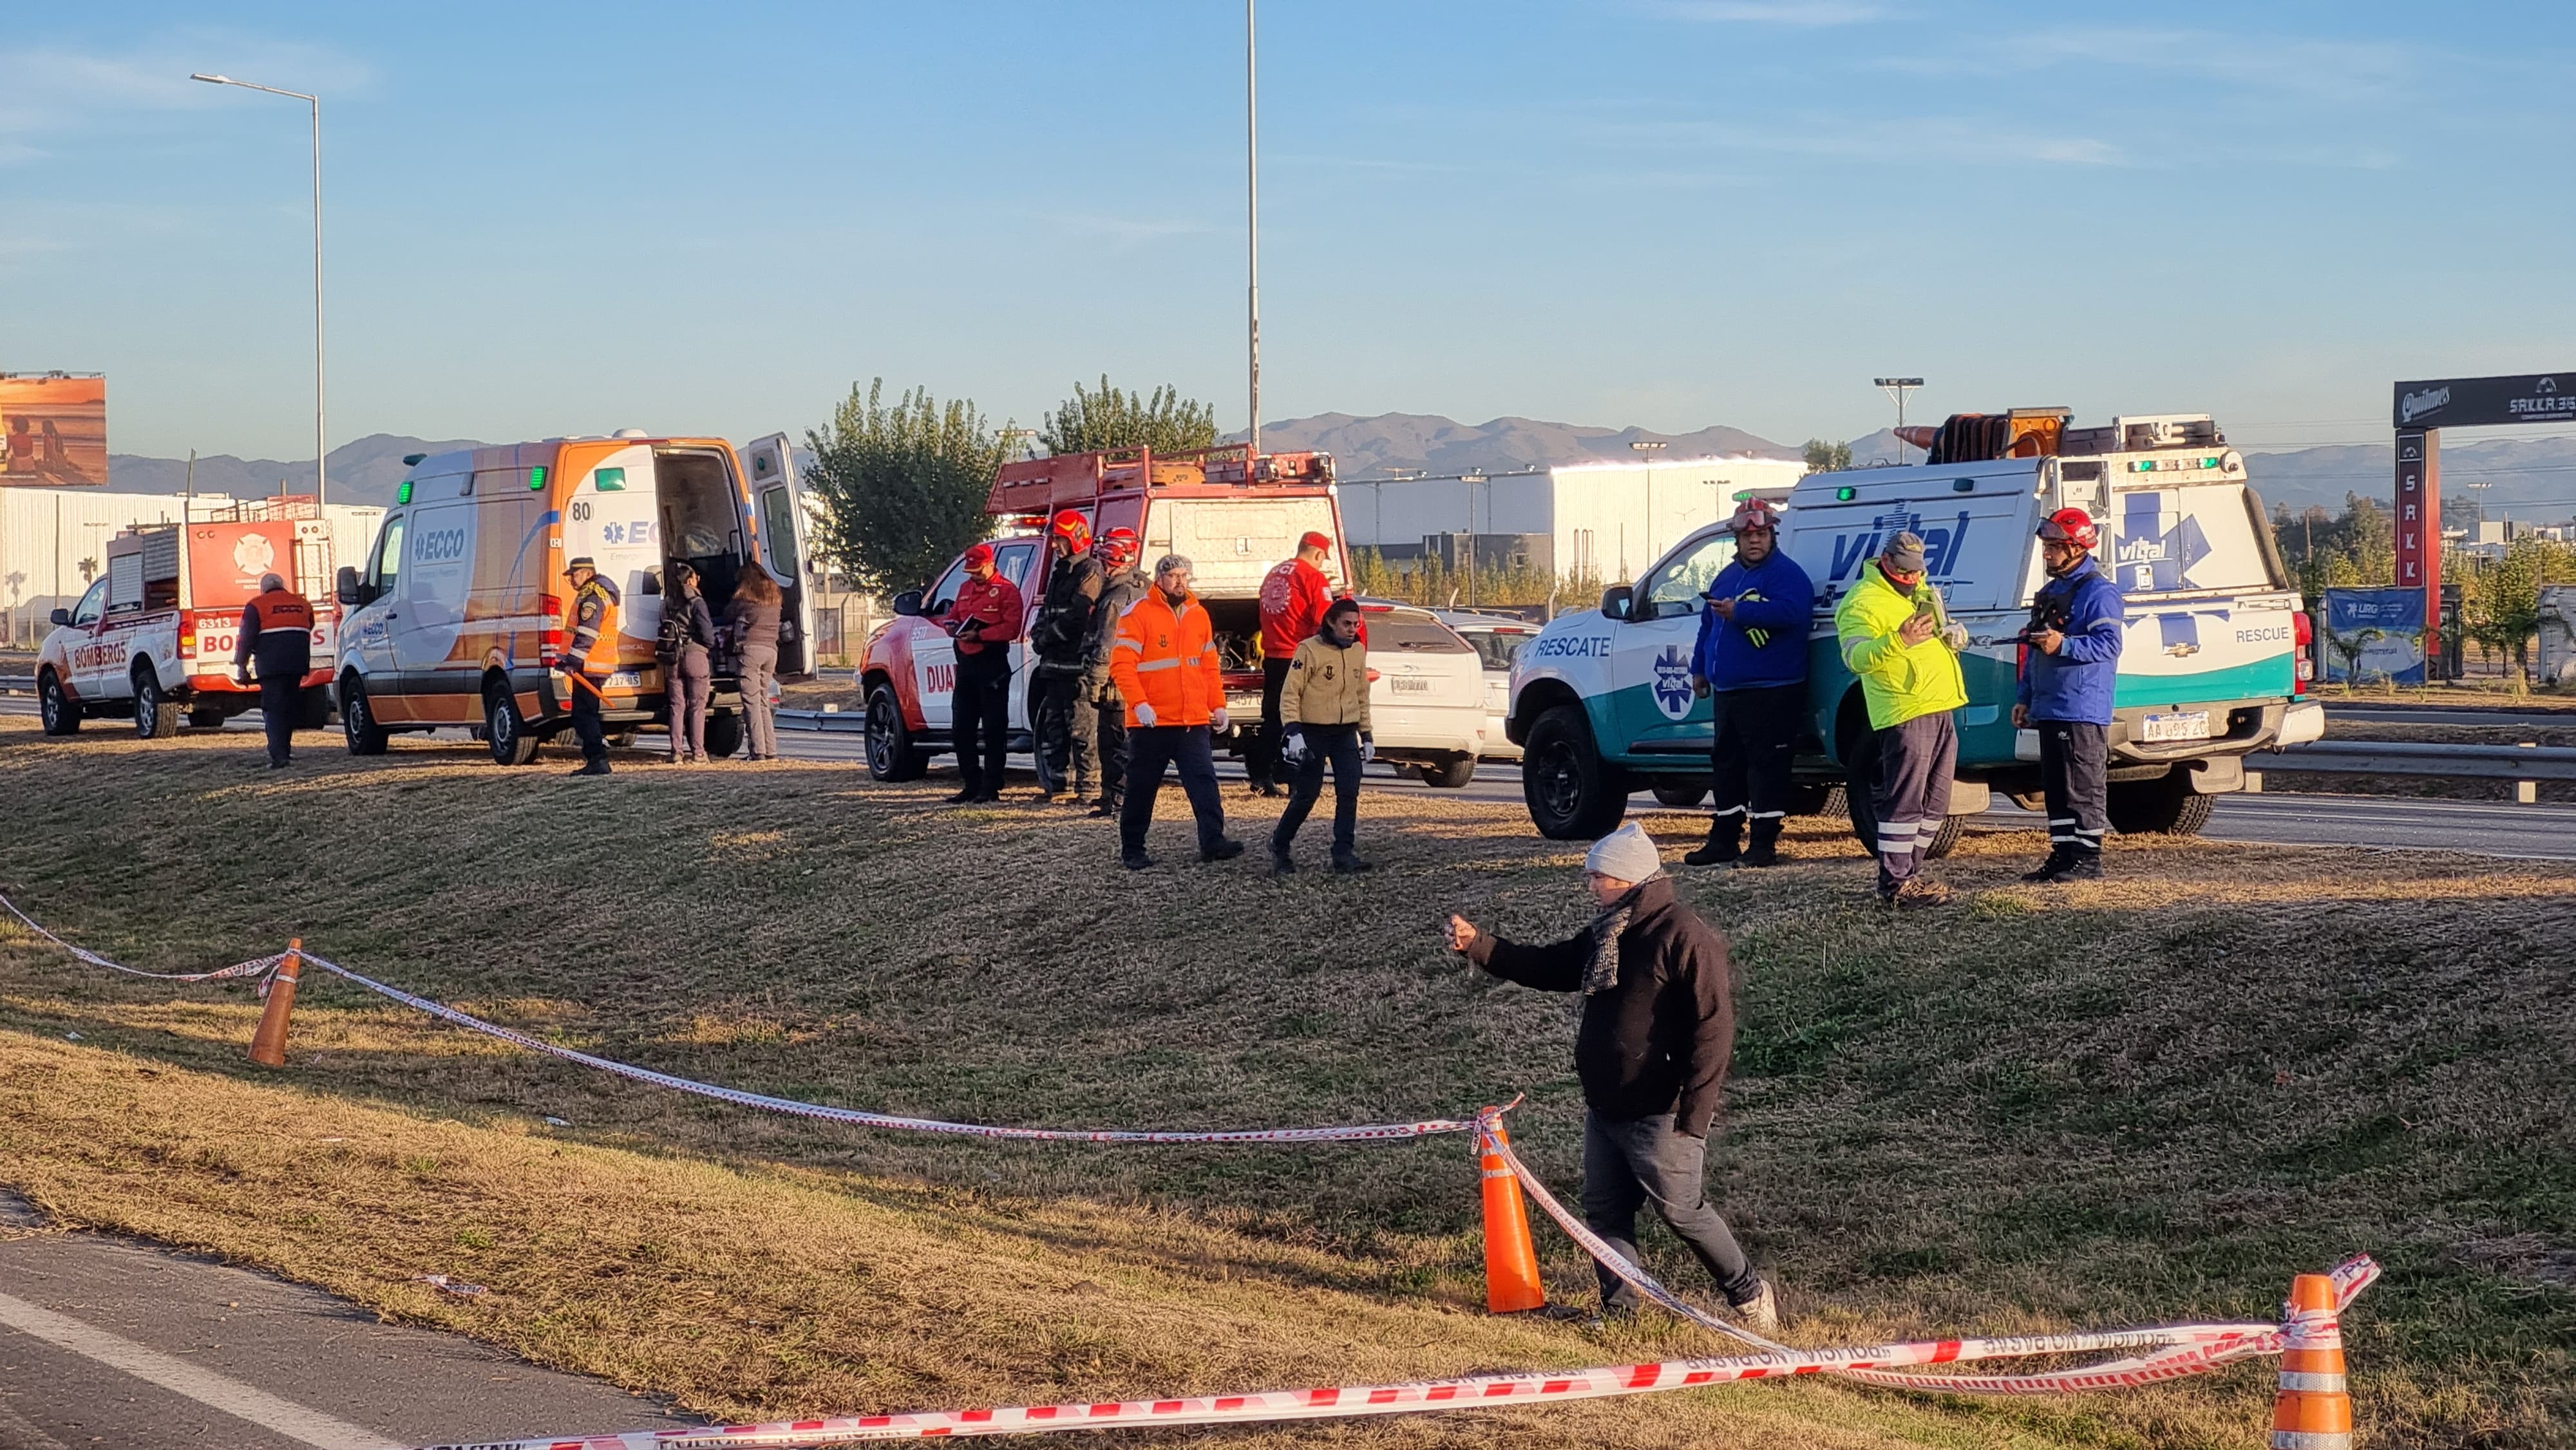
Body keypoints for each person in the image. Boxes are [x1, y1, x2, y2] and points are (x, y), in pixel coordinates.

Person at [1443, 822, 1778, 1330]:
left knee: (1683, 1212)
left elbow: (1715, 1026)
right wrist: (1481, 946)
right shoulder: (1608, 933)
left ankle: (1750, 1296)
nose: (1591, 887)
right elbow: (1552, 966)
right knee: (1604, 1214)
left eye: (1599, 878)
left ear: (1629, 880)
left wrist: (1697, 1112)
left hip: (1662, 1113)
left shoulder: (1683, 934)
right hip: (1606, 1108)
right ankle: (1621, 1313)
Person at [1832, 532, 1967, 907]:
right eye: (1905, 571)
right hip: (1903, 710)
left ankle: (1909, 875)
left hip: (1940, 704)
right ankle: (1895, 884)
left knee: (1936, 804)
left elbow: (1941, 634)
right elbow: (1856, 658)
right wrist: (1899, 640)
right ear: (1886, 561)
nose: (1912, 578)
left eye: (1917, 571)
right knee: (1904, 802)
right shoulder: (1861, 602)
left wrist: (1956, 635)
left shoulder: (1922, 590)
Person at [1685, 499, 1815, 869]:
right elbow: (1708, 627)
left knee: (1767, 766)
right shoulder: (1726, 577)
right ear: (1737, 539)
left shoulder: (1788, 575)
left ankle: (1762, 846)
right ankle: (1724, 839)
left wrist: (1740, 611)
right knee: (1726, 764)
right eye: (1747, 536)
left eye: (1760, 534)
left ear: (1772, 535)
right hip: (1729, 690)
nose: (1754, 541)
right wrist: (1699, 669)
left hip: (1773, 690)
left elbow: (1793, 613)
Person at [1111, 554, 1243, 869]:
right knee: (1142, 787)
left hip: (1192, 720)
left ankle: (1213, 842)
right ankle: (1133, 849)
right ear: (1159, 580)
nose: (1180, 581)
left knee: (1204, 784)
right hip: (1152, 723)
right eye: (1174, 576)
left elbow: (1209, 667)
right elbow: (1122, 666)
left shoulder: (1199, 615)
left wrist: (1218, 705)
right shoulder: (1138, 614)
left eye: (1185, 575)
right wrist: (1140, 704)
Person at [2014, 509, 2125, 882]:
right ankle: (2063, 855)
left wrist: (2064, 645)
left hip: (2082, 707)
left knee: (2083, 785)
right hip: (2049, 706)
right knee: (2058, 787)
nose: (2047, 554)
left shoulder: (2100, 593)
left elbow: (2109, 645)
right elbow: (2033, 651)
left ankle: (2087, 858)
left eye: (2054, 547)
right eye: (2046, 546)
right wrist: (2024, 697)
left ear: (2077, 548)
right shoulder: (2049, 593)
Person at [1270, 596, 1374, 874]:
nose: (1352, 629)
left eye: (1356, 624)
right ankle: (1280, 845)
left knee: (1349, 790)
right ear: (1331, 622)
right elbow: (1291, 693)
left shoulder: (1357, 652)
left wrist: (1367, 734)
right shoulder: (1309, 650)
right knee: (1307, 794)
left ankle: (1344, 852)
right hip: (1313, 730)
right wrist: (1293, 730)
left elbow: (1361, 693)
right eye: (1346, 624)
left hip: (1344, 732)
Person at [1251, 531, 1338, 797]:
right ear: (1318, 554)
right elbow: (1326, 621)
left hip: (1274, 656)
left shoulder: (1274, 574)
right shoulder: (1313, 578)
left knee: (1273, 719)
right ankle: (1294, 778)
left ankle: (1261, 774)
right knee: (1300, 720)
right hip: (1300, 656)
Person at [1027, 510, 1105, 805]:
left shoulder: (1089, 571)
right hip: (1053, 666)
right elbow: (1046, 611)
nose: (1054, 545)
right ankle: (1058, 786)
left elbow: (1077, 617)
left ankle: (1088, 789)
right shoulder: (1060, 571)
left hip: (1076, 666)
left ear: (1075, 538)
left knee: (1082, 727)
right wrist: (1038, 634)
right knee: (1054, 726)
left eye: (1059, 539)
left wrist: (1047, 637)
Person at [943, 541, 1023, 804]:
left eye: (978, 570)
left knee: (993, 729)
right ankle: (971, 783)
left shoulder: (1007, 591)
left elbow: (1012, 628)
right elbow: (953, 615)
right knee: (961, 728)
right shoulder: (965, 589)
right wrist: (952, 626)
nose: (974, 575)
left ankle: (991, 786)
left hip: (992, 666)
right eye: (970, 571)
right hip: (966, 666)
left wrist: (981, 634)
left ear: (990, 564)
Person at [1081, 527, 1148, 820]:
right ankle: (1112, 796)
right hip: (1136, 679)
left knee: (1114, 742)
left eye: (1104, 562)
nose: (1101, 569)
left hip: (1116, 683)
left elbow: (1107, 644)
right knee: (1122, 742)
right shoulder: (1143, 587)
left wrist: (1095, 682)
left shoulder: (1114, 599)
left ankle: (1117, 798)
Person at [232, 571, 313, 769]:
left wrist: (241, 665)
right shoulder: (303, 604)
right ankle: (285, 749)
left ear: (263, 588)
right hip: (297, 664)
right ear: (282, 585)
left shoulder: (256, 605)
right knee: (289, 708)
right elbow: (309, 626)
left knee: (274, 709)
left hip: (271, 667)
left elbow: (247, 637)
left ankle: (279, 756)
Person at [558, 556, 621, 777]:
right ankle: (595, 758)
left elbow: (587, 634)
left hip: (589, 665)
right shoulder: (598, 593)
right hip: (593, 664)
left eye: (573, 576)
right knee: (585, 713)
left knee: (585, 714)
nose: (572, 581)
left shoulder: (593, 596)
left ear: (586, 573)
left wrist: (572, 662)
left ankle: (597, 759)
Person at [661, 561, 718, 763]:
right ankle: (698, 752)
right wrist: (708, 646)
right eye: (696, 577)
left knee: (677, 706)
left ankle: (676, 752)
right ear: (690, 580)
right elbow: (708, 634)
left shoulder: (667, 602)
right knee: (697, 706)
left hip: (672, 658)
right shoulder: (697, 602)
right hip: (695, 656)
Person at [726, 569, 784, 762]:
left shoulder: (746, 601)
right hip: (771, 652)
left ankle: (757, 751)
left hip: (751, 651)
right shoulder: (775, 601)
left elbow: (728, 614)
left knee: (751, 703)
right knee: (762, 701)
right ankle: (771, 750)